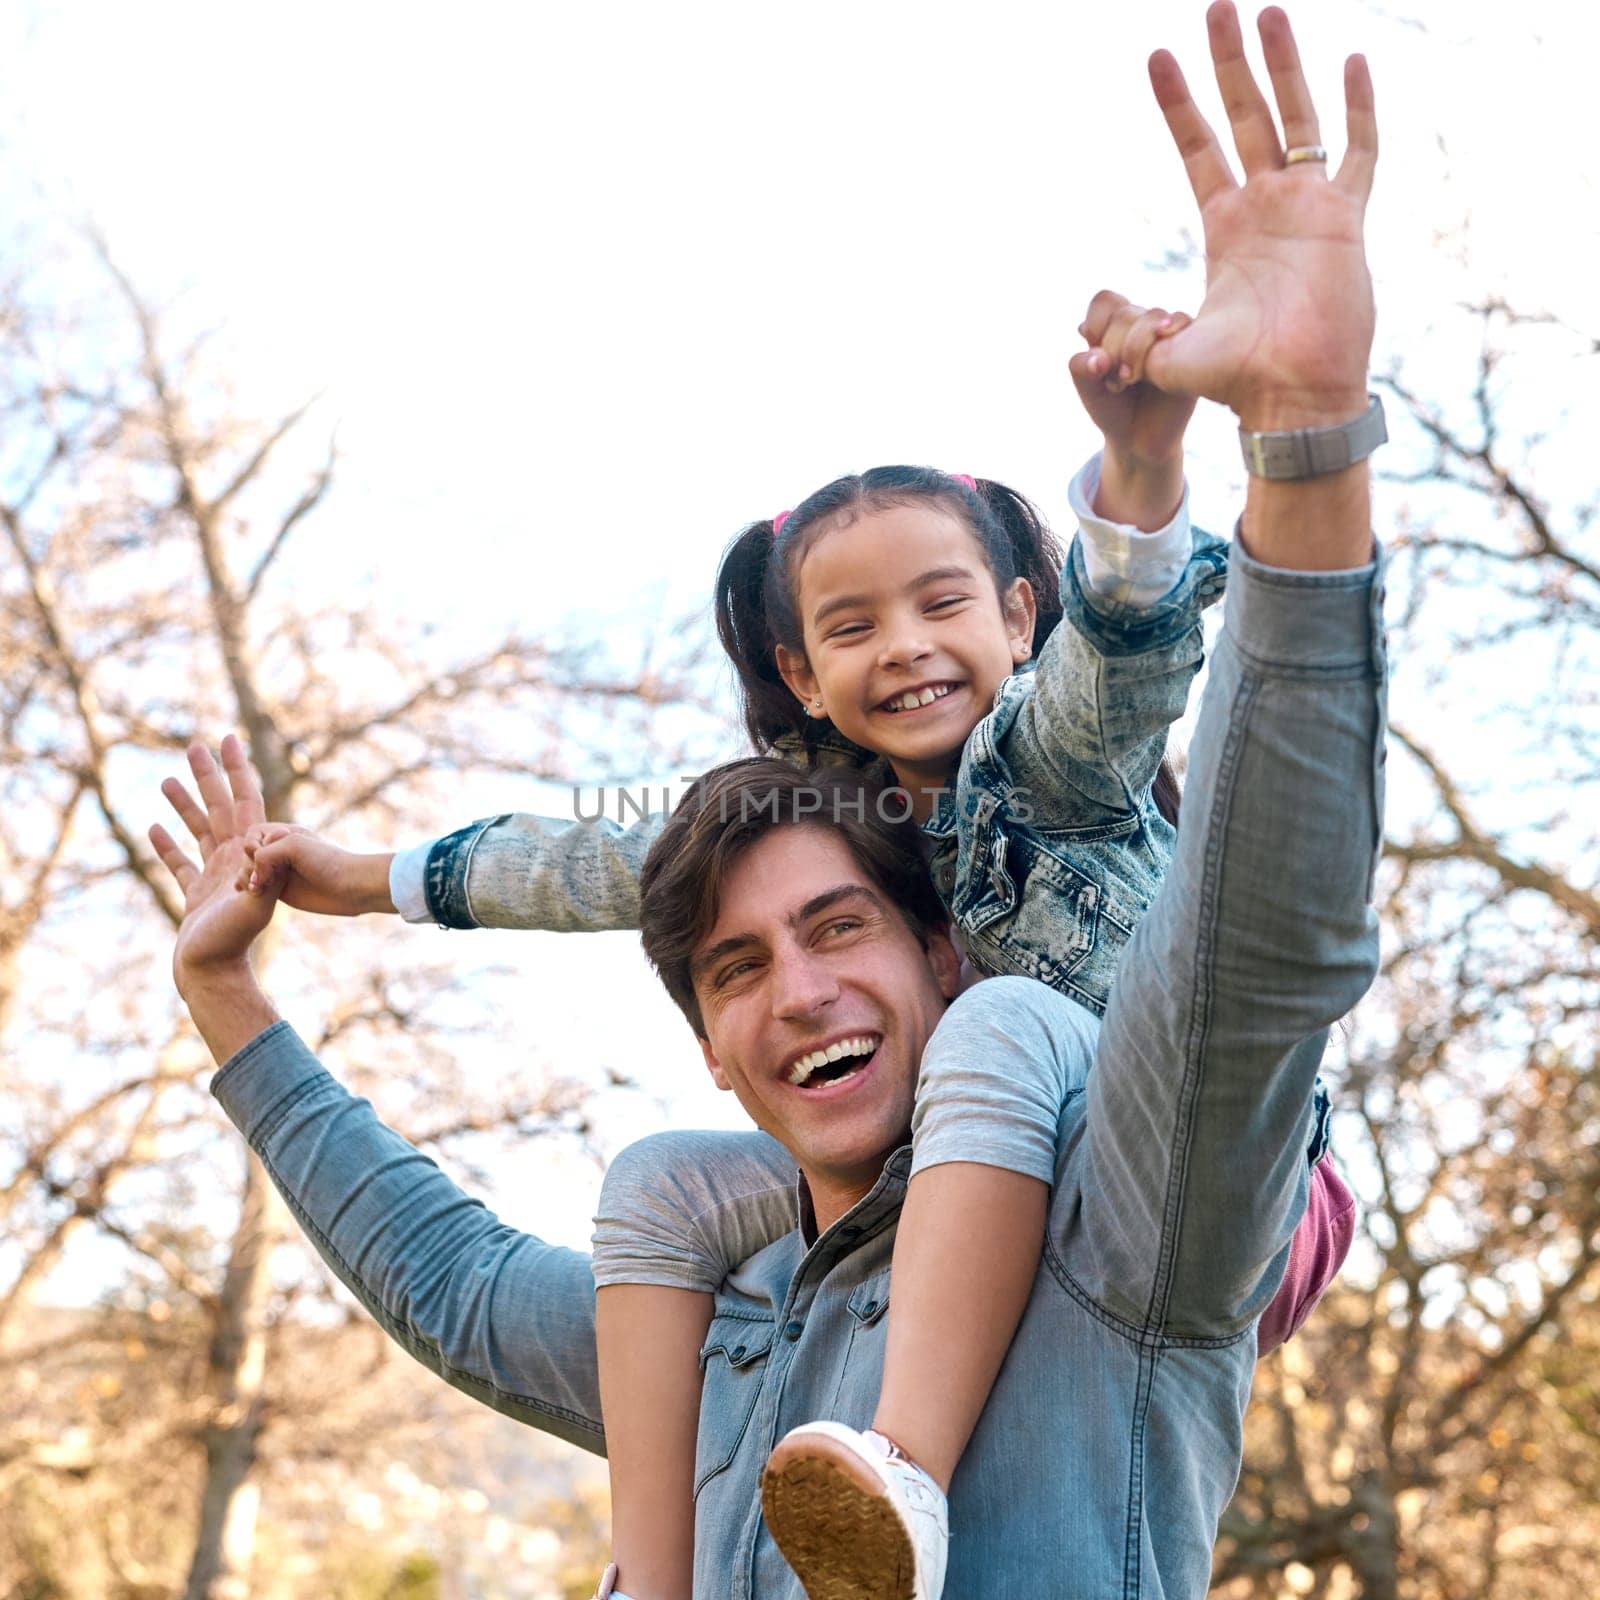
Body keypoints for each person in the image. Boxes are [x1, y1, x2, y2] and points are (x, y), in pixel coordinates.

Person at [151, 4, 1384, 1594]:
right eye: (736, 968)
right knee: (651, 1182)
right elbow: (462, 1224)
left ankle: (912, 1469)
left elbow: (1219, 848)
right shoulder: (730, 1310)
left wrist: (1237, 461)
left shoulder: (1051, 812)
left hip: (1170, 1177)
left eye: (835, 931)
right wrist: (297, 930)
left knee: (1018, 1045)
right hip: (932, 1193)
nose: (794, 988)